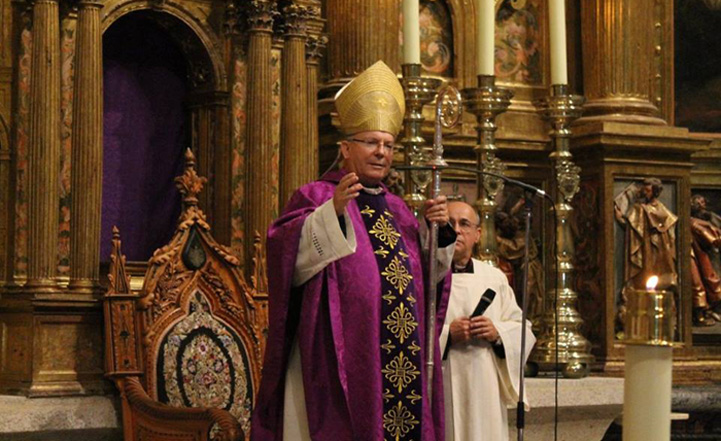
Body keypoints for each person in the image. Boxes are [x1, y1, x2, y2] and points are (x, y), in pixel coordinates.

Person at [251, 60, 456, 441]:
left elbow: (427, 282)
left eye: (388, 145)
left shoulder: (399, 210)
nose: (381, 152)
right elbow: (283, 255)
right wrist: (332, 214)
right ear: (345, 147)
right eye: (371, 142)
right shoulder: (316, 195)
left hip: (400, 357)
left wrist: (438, 234)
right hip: (337, 357)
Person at [440, 201, 535, 441]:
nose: (457, 230)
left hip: (485, 384)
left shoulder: (494, 278)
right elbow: (409, 332)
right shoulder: (426, 276)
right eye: (449, 224)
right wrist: (448, 335)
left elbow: (523, 329)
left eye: (464, 224)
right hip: (443, 381)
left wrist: (497, 333)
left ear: (478, 234)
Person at [614, 178, 678, 331]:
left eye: (648, 190)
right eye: (644, 189)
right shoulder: (639, 208)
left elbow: (669, 228)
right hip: (644, 249)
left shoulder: (659, 208)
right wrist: (620, 218)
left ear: (655, 191)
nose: (644, 192)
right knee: (642, 277)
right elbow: (633, 227)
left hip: (660, 251)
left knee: (660, 279)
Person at [690, 194, 721, 326]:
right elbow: (711, 239)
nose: (702, 205)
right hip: (698, 254)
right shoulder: (693, 222)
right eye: (698, 203)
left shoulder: (708, 218)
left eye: (703, 202)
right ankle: (702, 314)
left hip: (706, 254)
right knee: (703, 282)